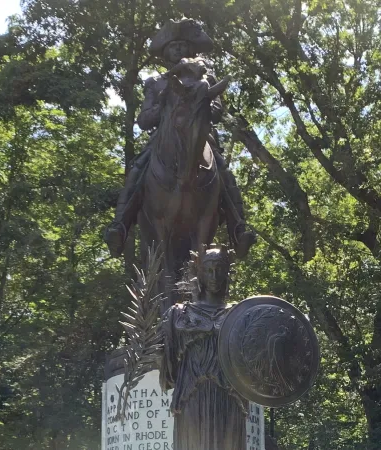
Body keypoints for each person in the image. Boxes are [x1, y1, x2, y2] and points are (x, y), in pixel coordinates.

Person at [103, 19, 256, 260]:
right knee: (139, 168)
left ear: (190, 50)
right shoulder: (155, 83)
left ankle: (239, 229)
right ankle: (119, 227)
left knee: (223, 170)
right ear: (165, 53)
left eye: (183, 45)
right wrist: (164, 99)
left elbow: (216, 111)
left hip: (200, 137)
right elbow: (144, 121)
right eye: (173, 46)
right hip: (164, 139)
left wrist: (203, 97)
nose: (178, 50)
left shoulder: (206, 76)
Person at [161, 247, 248, 450]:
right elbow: (169, 369)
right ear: (199, 273)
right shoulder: (180, 315)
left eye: (219, 269)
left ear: (228, 272)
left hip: (230, 398)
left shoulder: (240, 314)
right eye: (208, 270)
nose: (214, 275)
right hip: (192, 395)